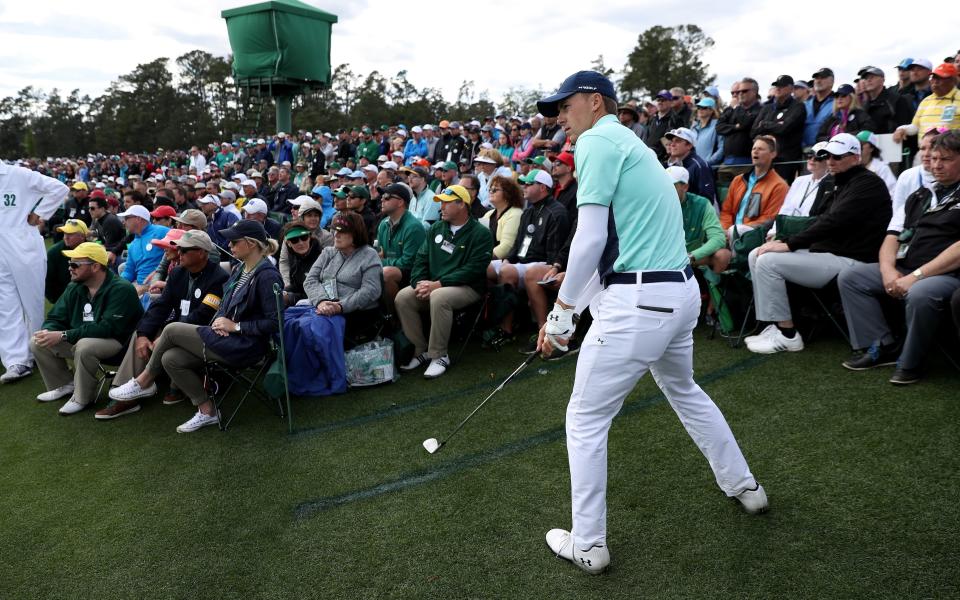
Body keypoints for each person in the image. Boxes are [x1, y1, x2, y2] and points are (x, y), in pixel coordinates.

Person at [535, 71, 766, 575]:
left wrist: (562, 313)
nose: (558, 119)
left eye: (563, 107)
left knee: (585, 417)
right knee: (684, 390)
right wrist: (566, 313)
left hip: (642, 303)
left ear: (595, 103)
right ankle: (745, 486)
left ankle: (590, 544)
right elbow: (618, 257)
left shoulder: (597, 140)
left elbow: (591, 238)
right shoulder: (633, 147)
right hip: (676, 293)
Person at [108, 220, 283, 433]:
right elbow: (224, 306)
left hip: (246, 345)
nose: (229, 245)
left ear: (252, 244)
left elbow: (275, 322)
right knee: (170, 359)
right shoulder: (240, 269)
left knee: (171, 330)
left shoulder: (266, 275)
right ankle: (207, 410)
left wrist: (235, 326)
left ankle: (144, 382)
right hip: (225, 337)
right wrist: (220, 321)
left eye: (234, 241)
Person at [745, 133, 891, 354]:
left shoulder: (867, 183)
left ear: (855, 157)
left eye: (837, 157)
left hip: (853, 260)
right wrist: (785, 240)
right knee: (756, 253)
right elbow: (820, 221)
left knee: (767, 261)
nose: (831, 161)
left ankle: (788, 335)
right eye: (828, 156)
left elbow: (834, 222)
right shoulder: (842, 182)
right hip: (833, 253)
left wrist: (789, 244)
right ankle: (774, 325)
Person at [837, 130, 960, 385]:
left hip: (947, 274)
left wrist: (915, 276)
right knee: (852, 277)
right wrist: (888, 271)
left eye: (945, 159)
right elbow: (893, 236)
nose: (936, 164)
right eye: (933, 157)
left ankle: (910, 362)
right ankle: (881, 346)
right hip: (910, 268)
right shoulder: (921, 195)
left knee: (921, 292)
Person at [97, 230, 229, 418]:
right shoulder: (177, 273)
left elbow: (203, 316)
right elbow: (160, 306)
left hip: (200, 334)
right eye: (178, 249)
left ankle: (146, 384)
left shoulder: (219, 278)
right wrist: (144, 334)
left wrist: (168, 336)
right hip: (176, 328)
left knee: (167, 337)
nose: (178, 253)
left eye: (184, 250)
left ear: (201, 252)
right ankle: (126, 394)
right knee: (140, 336)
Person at [30, 242, 142, 415]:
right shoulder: (74, 287)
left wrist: (64, 335)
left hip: (120, 344)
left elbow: (107, 328)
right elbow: (55, 318)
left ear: (96, 266)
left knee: (84, 345)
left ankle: (83, 397)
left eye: (75, 265)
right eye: (69, 264)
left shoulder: (122, 289)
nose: (70, 268)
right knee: (38, 340)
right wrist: (48, 332)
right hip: (84, 338)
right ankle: (64, 384)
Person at [395, 185, 493, 379]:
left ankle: (439, 355)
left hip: (468, 287)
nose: (441, 208)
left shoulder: (480, 233)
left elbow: (473, 269)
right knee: (403, 297)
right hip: (434, 285)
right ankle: (420, 350)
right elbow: (421, 259)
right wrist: (419, 283)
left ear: (462, 205)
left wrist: (439, 284)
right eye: (441, 203)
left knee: (440, 297)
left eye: (446, 203)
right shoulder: (436, 229)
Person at [0, 161, 69, 383]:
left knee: (32, 306)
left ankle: (39, 351)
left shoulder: (18, 174)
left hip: (24, 249)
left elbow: (59, 188)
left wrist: (40, 213)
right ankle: (17, 361)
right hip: (1, 251)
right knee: (5, 307)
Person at [302, 212, 383, 339]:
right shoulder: (328, 252)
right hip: (323, 306)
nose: (336, 235)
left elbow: (371, 290)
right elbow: (310, 280)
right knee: (292, 323)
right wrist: (322, 301)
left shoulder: (369, 255)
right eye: (334, 231)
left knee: (310, 329)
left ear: (355, 234)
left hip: (355, 312)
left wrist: (340, 306)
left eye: (342, 232)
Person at [719, 136, 789, 240]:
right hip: (729, 233)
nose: (755, 151)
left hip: (754, 236)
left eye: (760, 149)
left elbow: (769, 219)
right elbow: (726, 211)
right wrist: (725, 229)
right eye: (753, 148)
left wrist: (736, 231)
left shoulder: (779, 186)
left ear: (773, 154)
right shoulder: (738, 180)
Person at [666, 166, 730, 272]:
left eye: (672, 185)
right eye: (664, 184)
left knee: (723, 255)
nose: (667, 189)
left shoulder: (702, 204)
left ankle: (714, 286)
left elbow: (718, 239)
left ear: (685, 187)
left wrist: (691, 256)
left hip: (691, 256)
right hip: (665, 257)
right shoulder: (656, 204)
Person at [769, 142, 835, 239]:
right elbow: (785, 209)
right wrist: (774, 231)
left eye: (818, 157)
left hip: (804, 235)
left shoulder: (830, 185)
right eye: (810, 155)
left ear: (828, 161)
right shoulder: (799, 180)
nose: (812, 159)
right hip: (785, 231)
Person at [377, 183, 427, 308]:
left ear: (400, 202)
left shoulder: (413, 227)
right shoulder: (383, 224)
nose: (382, 199)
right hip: (393, 267)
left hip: (412, 274)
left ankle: (395, 316)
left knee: (386, 273)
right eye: (382, 197)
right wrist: (380, 261)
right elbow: (378, 253)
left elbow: (408, 262)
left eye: (387, 197)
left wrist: (382, 261)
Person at [752, 75, 807, 182]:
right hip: (765, 159)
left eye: (782, 86)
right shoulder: (767, 108)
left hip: (785, 160)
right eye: (776, 86)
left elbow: (784, 128)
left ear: (791, 88)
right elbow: (753, 131)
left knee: (780, 191)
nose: (778, 88)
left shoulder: (798, 106)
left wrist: (764, 124)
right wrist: (776, 125)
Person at [893, 63, 960, 145]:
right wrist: (902, 129)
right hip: (925, 154)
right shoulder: (926, 101)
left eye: (941, 78)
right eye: (934, 77)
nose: (935, 81)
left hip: (950, 154)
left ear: (952, 80)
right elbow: (915, 127)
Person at [117, 204, 169, 295]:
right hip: (140, 286)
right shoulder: (133, 244)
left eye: (126, 218)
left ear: (138, 218)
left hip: (157, 286)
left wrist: (157, 272)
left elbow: (180, 249)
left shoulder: (162, 231)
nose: (124, 222)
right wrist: (115, 284)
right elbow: (129, 271)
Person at [891, 128, 939, 214]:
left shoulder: (951, 177)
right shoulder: (906, 176)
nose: (926, 154)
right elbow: (897, 213)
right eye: (922, 148)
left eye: (932, 148)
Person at [716, 78, 762, 166]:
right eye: (738, 91)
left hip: (747, 161)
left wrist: (737, 107)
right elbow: (719, 128)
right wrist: (735, 127)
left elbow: (745, 123)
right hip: (727, 161)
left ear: (754, 92)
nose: (739, 94)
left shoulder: (760, 109)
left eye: (744, 91)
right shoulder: (731, 109)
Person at [665, 127, 716, 203]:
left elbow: (707, 200)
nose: (672, 144)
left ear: (689, 145)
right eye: (672, 141)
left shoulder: (700, 166)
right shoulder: (673, 166)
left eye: (677, 141)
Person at [278, 221, 322, 306]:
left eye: (304, 237)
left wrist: (292, 298)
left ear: (310, 237)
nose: (300, 243)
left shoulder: (322, 257)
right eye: (294, 240)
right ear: (289, 244)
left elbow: (323, 291)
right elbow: (297, 286)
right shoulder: (296, 258)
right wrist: (284, 291)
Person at [45, 219, 89, 304]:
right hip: (63, 299)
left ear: (82, 236)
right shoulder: (54, 253)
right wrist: (58, 301)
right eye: (65, 233)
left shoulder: (92, 250)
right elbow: (47, 281)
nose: (66, 237)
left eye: (70, 234)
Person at [481, 175, 523, 260]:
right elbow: (479, 239)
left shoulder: (515, 214)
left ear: (508, 193)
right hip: (486, 257)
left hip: (504, 261)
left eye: (495, 190)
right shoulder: (488, 214)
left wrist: (481, 258)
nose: (491, 192)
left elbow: (506, 246)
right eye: (490, 189)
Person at [645, 90, 683, 163]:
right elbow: (648, 138)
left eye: (663, 100)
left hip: (664, 160)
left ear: (671, 102)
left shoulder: (676, 119)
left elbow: (672, 141)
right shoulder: (652, 119)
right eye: (658, 100)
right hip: (649, 157)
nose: (660, 102)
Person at [857, 131, 897, 196]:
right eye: (856, 144)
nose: (858, 147)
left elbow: (893, 191)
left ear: (871, 148)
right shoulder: (852, 166)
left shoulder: (881, 168)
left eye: (861, 144)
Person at [804, 68, 836, 148]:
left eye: (822, 78)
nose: (818, 81)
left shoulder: (838, 103)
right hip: (803, 151)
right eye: (816, 78)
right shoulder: (805, 104)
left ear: (831, 82)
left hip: (827, 149)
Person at [691, 97, 724, 166]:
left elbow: (722, 148)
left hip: (710, 168)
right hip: (694, 167)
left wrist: (708, 163)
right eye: (699, 107)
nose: (700, 109)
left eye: (704, 107)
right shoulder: (694, 127)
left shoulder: (717, 125)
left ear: (711, 110)